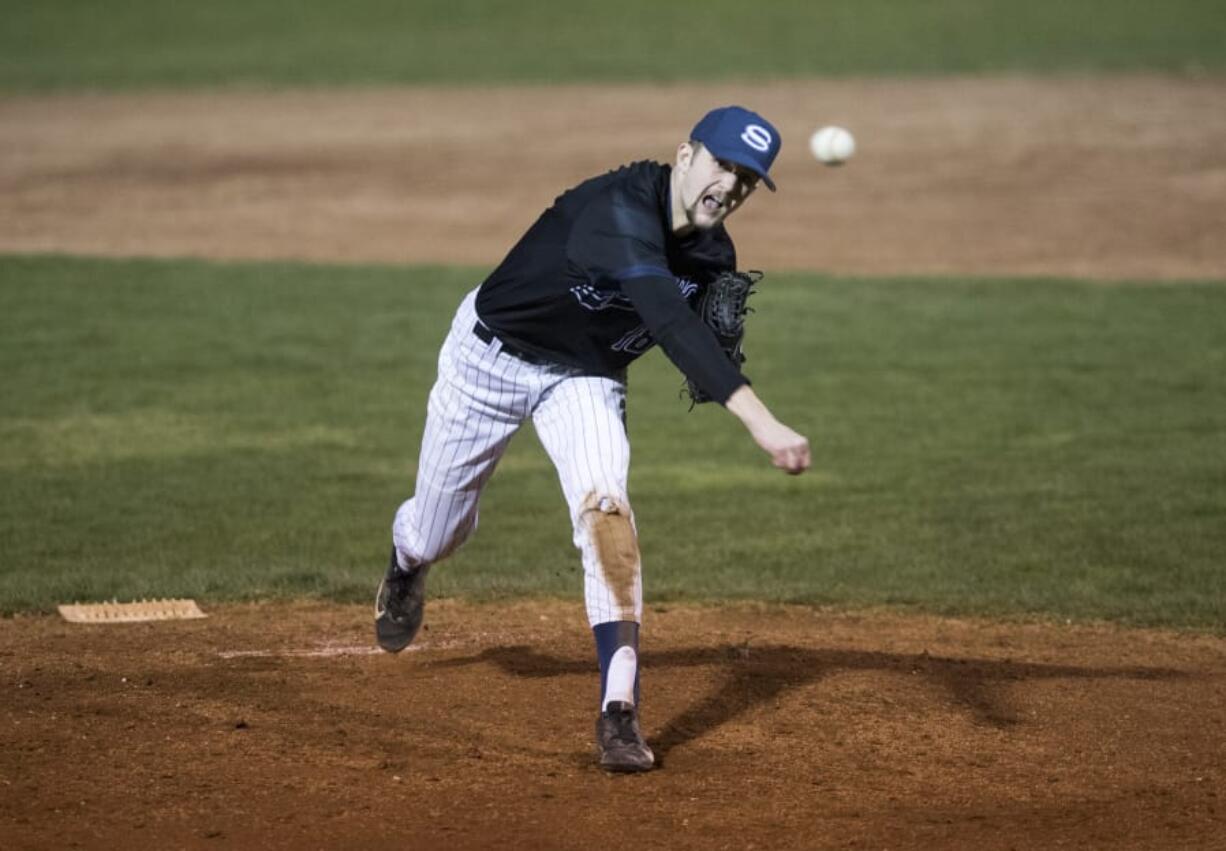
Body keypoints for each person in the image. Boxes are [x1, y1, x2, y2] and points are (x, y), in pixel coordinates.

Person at [374, 105, 810, 773]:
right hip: (488, 362)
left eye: (748, 181)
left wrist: (723, 349)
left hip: (585, 378)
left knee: (607, 510)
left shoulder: (712, 255)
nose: (731, 186)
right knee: (439, 532)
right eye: (723, 165)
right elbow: (665, 317)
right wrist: (761, 419)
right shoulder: (617, 209)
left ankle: (619, 708)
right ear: (685, 155)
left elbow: (698, 333)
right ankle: (407, 562)